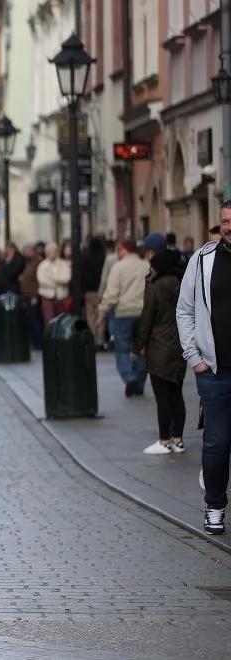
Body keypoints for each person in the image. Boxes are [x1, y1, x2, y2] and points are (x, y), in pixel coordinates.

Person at [177, 200, 231, 535]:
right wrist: (193, 357)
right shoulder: (202, 260)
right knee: (216, 443)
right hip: (213, 371)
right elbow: (184, 310)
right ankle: (214, 505)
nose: (229, 227)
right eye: (225, 221)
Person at [134, 249, 187, 455]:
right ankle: (178, 439)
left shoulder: (154, 288)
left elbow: (146, 319)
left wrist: (138, 344)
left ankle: (164, 440)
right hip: (180, 346)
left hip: (158, 346)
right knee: (176, 395)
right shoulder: (182, 285)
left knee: (162, 397)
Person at [97, 240, 150, 397]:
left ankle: (129, 377)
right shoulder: (145, 265)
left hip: (123, 313)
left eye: (118, 250)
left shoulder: (118, 267)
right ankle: (140, 384)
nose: (116, 253)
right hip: (142, 312)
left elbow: (111, 294)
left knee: (122, 349)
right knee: (140, 349)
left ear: (123, 250)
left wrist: (101, 313)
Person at [36, 243, 70, 325]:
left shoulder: (63, 264)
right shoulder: (42, 265)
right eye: (49, 251)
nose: (52, 253)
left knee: (62, 321)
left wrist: (53, 279)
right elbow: (42, 280)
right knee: (49, 321)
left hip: (61, 296)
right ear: (46, 253)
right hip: (47, 297)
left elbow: (67, 278)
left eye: (54, 251)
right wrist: (58, 281)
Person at [19, 245, 43, 349]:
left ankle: (38, 342)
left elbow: (38, 281)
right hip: (26, 295)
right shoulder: (28, 263)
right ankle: (34, 341)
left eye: (28, 251)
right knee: (30, 319)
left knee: (35, 320)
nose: (26, 253)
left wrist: (35, 296)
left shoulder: (37, 263)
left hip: (32, 295)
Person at [81, 237, 107, 333]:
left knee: (90, 316)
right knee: (101, 316)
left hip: (89, 292)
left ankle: (92, 337)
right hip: (102, 291)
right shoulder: (104, 258)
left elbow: (82, 275)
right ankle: (100, 339)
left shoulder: (85, 258)